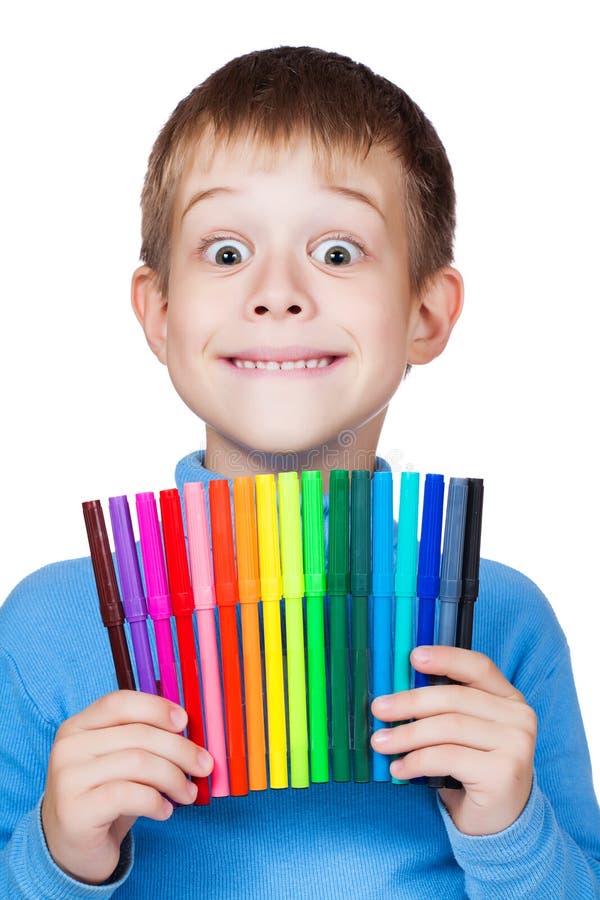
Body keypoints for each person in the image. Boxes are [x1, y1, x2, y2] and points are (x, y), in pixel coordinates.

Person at [1, 45, 599, 899]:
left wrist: (511, 831)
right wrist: (58, 855)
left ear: (426, 313)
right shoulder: (48, 626)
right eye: (226, 252)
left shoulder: (501, 618)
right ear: (160, 314)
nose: (277, 293)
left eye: (339, 253)